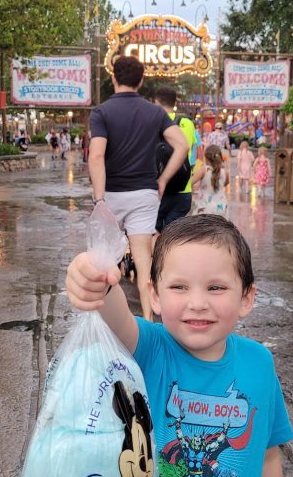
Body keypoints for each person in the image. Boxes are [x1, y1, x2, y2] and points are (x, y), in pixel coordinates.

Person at [65, 214, 293, 477]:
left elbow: (268, 457)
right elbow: (113, 310)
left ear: (247, 297)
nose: (197, 303)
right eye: (179, 287)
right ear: (152, 293)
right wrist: (93, 276)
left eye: (217, 287)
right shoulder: (148, 348)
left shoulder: (259, 364)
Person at [88, 55, 187, 321]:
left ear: (113, 78)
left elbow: (96, 156)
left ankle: (107, 320)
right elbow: (182, 146)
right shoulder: (155, 112)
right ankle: (149, 318)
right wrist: (163, 179)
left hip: (111, 194)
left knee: (107, 259)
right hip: (145, 194)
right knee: (144, 262)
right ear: (141, 80)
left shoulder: (101, 112)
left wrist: (99, 199)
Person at [153, 85, 199, 230]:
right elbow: (191, 150)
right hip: (183, 189)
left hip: (159, 190)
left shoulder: (154, 122)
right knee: (173, 236)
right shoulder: (188, 123)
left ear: (156, 102)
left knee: (153, 234)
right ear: (174, 103)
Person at [193, 144, 230, 216]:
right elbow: (225, 184)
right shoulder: (225, 172)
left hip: (205, 208)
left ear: (206, 158)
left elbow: (190, 183)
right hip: (221, 207)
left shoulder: (203, 170)